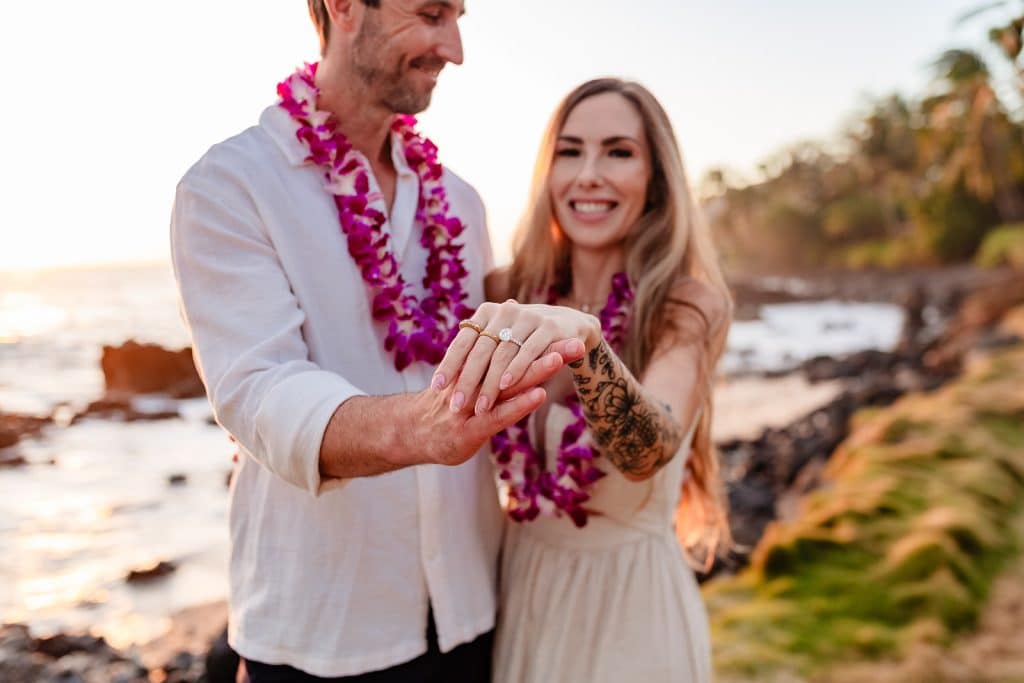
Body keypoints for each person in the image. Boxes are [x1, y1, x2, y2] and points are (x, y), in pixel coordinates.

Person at [169, 1, 582, 681]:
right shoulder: (228, 186)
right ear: (343, 7)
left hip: (471, 616)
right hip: (319, 627)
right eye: (430, 14)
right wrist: (419, 427)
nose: (454, 48)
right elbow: (261, 391)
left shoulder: (462, 202)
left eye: (457, 18)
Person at [433, 78, 733, 682]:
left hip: (631, 614)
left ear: (656, 178)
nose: (589, 173)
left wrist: (586, 344)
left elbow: (648, 449)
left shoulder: (685, 305)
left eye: (618, 152)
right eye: (570, 151)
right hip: (523, 595)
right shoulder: (503, 292)